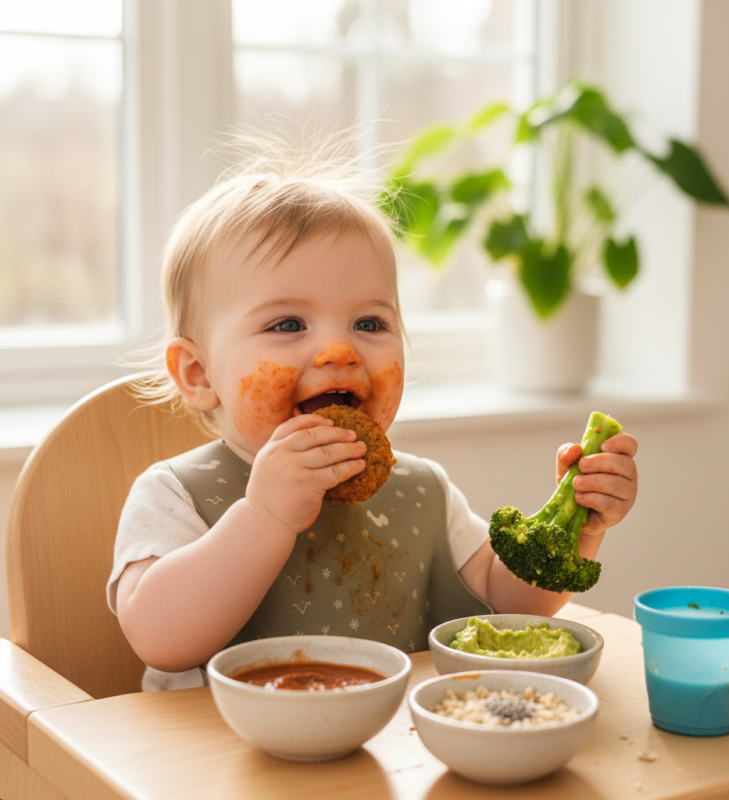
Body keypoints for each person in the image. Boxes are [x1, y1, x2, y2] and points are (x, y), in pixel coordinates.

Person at [107, 132, 638, 690]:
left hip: (393, 761)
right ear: (198, 374)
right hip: (225, 764)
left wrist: (576, 528)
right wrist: (264, 516)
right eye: (287, 324)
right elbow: (160, 641)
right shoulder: (176, 493)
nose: (341, 352)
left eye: (370, 324)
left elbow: (506, 600)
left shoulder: (422, 489)